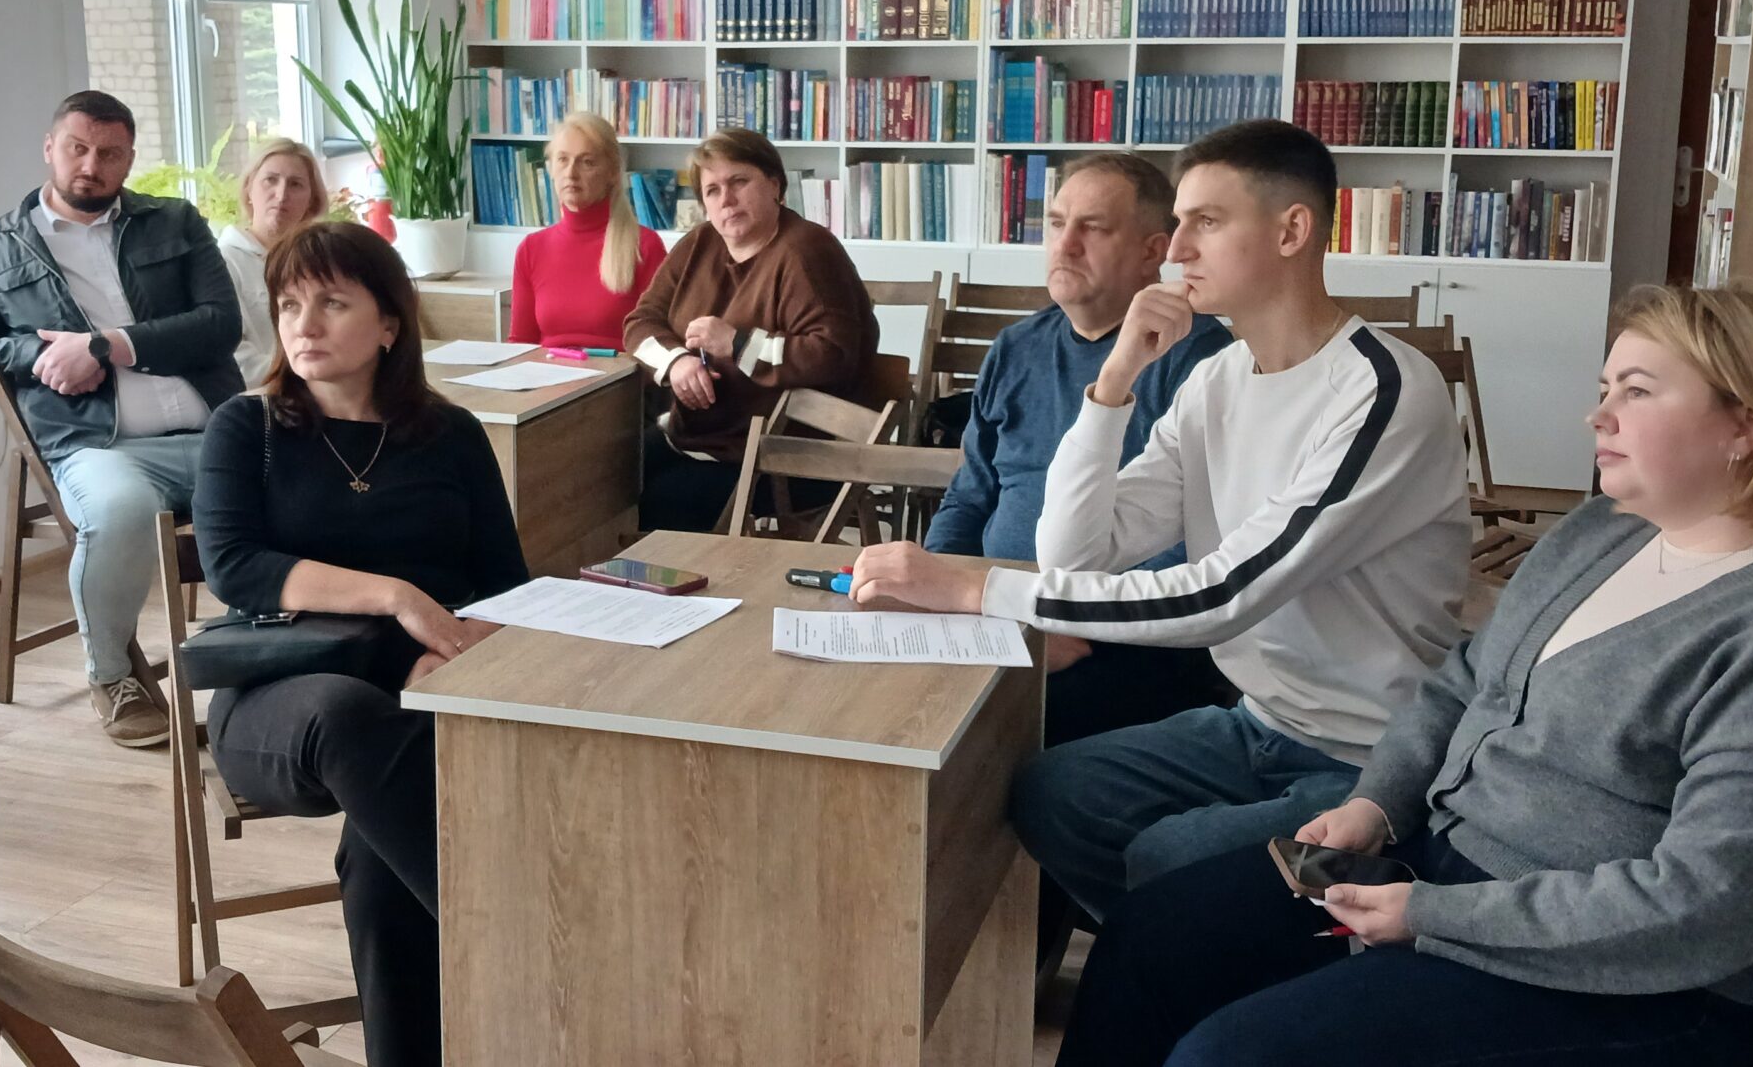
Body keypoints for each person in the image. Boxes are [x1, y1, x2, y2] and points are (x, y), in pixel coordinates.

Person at [1052, 284, 1753, 1067]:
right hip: (1450, 876)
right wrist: (1378, 803)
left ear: (1748, 424)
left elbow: (1711, 903)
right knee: (1150, 939)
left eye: (1636, 392)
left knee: (1231, 1056)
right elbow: (1463, 683)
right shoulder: (1608, 531)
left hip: (1640, 988)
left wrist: (1432, 918)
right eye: (1604, 390)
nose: (1598, 417)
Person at [850, 119, 1469, 928]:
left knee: (1168, 858)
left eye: (1205, 222)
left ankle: (1238, 951)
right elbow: (1075, 553)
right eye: (1177, 223)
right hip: (1258, 724)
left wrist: (979, 591)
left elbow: (1226, 596)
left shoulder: (1383, 389)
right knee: (1052, 793)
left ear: (1292, 231)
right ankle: (1197, 951)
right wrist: (1114, 381)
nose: (1175, 250)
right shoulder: (1218, 379)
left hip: (1372, 760)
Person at [192, 222, 528, 1067]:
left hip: (423, 698)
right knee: (349, 718)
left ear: (388, 325)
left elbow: (505, 584)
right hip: (280, 702)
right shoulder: (246, 427)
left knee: (382, 861)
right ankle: (514, 945)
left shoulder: (451, 435)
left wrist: (458, 645)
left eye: (332, 304)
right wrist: (397, 598)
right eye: (289, 305)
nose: (303, 324)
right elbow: (235, 566)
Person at [923, 152, 1238, 981]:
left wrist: (1066, 622)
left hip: (1126, 641)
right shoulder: (1017, 347)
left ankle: (1007, 968)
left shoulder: (1203, 364)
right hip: (998, 612)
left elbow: (1195, 549)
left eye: (1091, 228)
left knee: (1008, 744)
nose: (1064, 245)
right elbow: (971, 494)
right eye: (1056, 223)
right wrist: (937, 587)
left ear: (1153, 251)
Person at [0, 90, 242, 749]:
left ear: (130, 158)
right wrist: (34, 353)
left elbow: (221, 323)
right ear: (50, 148)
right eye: (77, 148)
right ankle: (113, 678)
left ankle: (270, 657)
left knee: (299, 485)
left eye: (109, 153)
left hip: (215, 429)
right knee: (121, 511)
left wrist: (106, 346)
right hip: (96, 447)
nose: (91, 166)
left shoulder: (175, 222)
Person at [623, 127, 880, 532]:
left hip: (788, 455)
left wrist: (738, 344)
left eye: (739, 182)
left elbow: (831, 356)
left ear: (775, 185)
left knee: (663, 499)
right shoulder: (699, 243)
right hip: (707, 440)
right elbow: (640, 323)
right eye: (712, 190)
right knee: (609, 473)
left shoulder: (807, 251)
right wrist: (677, 363)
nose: (726, 199)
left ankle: (679, 575)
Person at [507, 112, 665, 350]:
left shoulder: (644, 246)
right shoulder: (531, 248)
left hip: (619, 372)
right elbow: (520, 343)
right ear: (550, 169)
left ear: (612, 172)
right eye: (563, 160)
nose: (571, 173)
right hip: (547, 371)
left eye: (587, 162)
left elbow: (659, 344)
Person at [217, 137, 326, 381]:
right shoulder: (223, 262)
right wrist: (301, 378)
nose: (281, 194)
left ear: (312, 200)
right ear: (249, 189)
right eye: (271, 180)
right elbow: (231, 354)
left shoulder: (322, 264)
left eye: (295, 184)